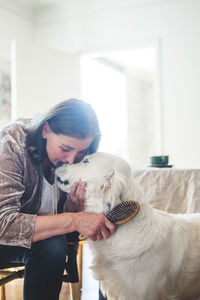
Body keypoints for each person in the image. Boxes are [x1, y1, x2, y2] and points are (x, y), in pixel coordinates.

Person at [0, 98, 115, 300]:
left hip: (37, 244)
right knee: (52, 244)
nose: (71, 160)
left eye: (81, 152)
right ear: (45, 130)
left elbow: (55, 222)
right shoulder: (13, 142)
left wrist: (72, 207)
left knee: (56, 242)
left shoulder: (74, 161)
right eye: (66, 148)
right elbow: (3, 224)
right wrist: (74, 219)